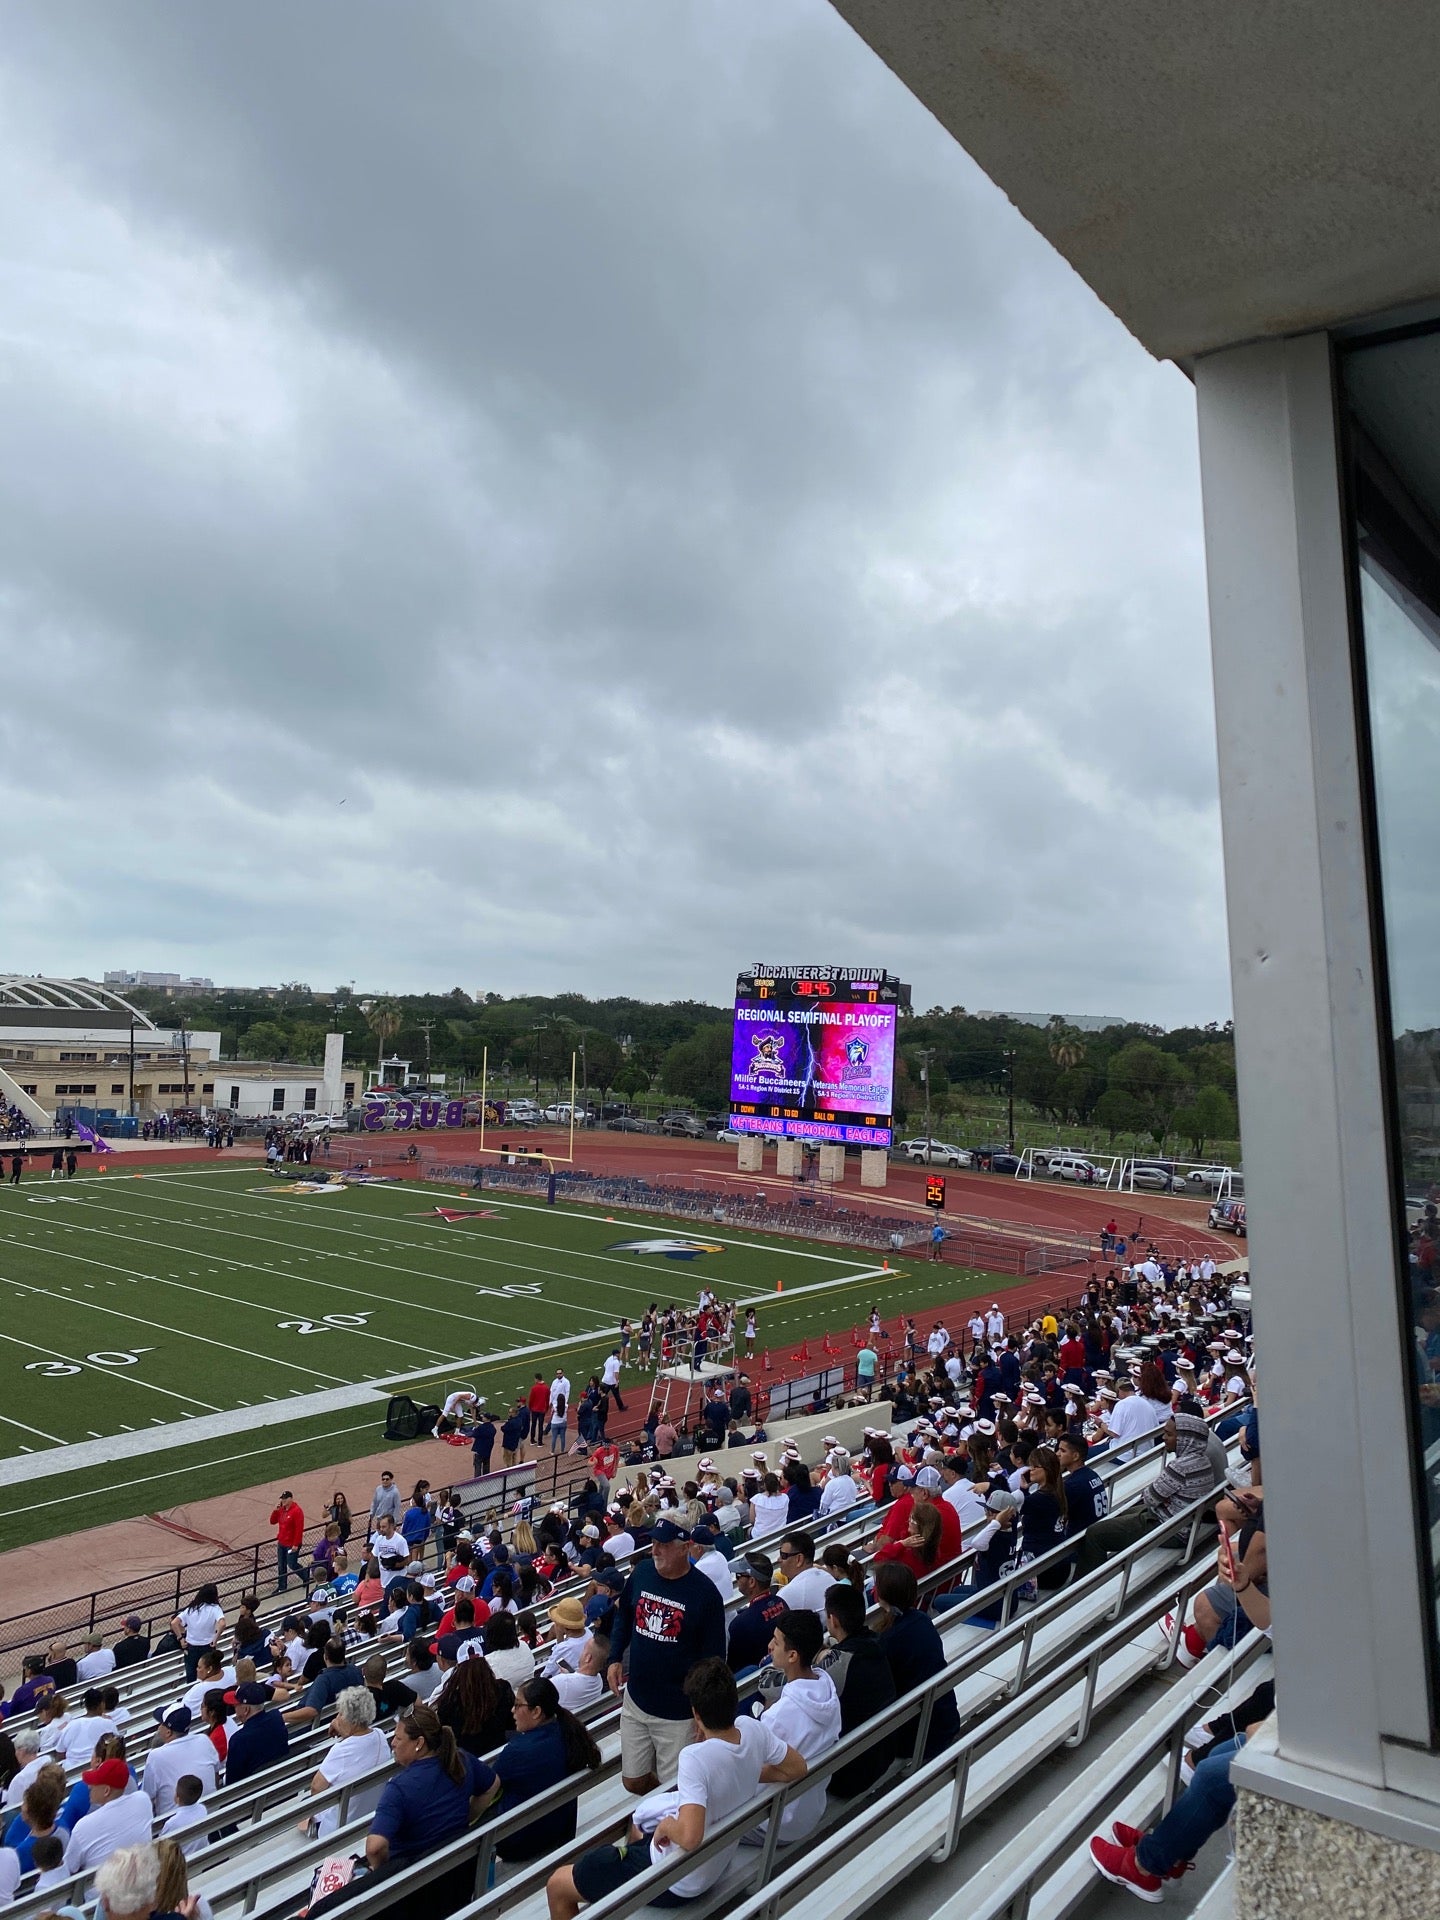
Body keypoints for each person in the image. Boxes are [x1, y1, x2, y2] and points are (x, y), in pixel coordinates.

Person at [549, 1658, 806, 1917]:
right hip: (716, 1861)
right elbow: (797, 1767)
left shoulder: (695, 1758)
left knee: (557, 1884)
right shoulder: (752, 1729)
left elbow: (690, 1837)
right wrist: (746, 1771)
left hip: (679, 1880)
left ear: (696, 1714)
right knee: (637, 1829)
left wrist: (666, 1826)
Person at [607, 1516, 727, 1793]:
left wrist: (703, 1714)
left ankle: (660, 1813)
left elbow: (714, 1661)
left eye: (663, 1544)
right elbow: (624, 1615)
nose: (655, 1550)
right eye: (653, 1543)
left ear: (685, 1547)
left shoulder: (705, 1594)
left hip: (678, 1713)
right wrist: (614, 1657)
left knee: (673, 1789)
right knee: (633, 1781)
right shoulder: (642, 1572)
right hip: (637, 1700)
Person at [1074, 1409, 1216, 1576]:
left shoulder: (1180, 1467)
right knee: (1120, 1515)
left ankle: (1088, 1584)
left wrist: (1160, 1496)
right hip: (1177, 1521)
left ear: (1185, 1439)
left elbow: (1149, 1498)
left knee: (1095, 1533)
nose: (1164, 1438)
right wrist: (1163, 1498)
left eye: (1169, 1434)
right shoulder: (1203, 1461)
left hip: (1171, 1529)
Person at [366, 1703, 498, 1874]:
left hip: (410, 1880)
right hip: (460, 1871)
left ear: (419, 1743)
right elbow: (493, 1784)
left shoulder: (398, 1788)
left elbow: (374, 1848)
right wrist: (467, 1816)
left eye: (398, 1738)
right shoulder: (461, 1759)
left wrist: (382, 1873)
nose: (393, 1743)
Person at [749, 1610, 840, 1845]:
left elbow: (751, 1770)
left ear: (792, 1655)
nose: (770, 1646)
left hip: (776, 1822)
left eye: (776, 1642)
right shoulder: (828, 1690)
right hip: (810, 1808)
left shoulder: (779, 1716)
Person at [491, 1675, 603, 1864]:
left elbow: (490, 1784)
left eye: (517, 1705)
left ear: (536, 1712)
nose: (512, 1710)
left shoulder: (518, 1751)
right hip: (560, 1829)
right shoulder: (568, 1733)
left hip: (519, 1843)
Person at [817, 1584, 897, 1797]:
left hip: (852, 1772)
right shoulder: (876, 1642)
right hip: (883, 1751)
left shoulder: (841, 1664)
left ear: (833, 1620)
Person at [873, 1562, 959, 1760]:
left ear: (882, 1595)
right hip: (946, 1719)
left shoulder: (889, 1640)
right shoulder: (922, 1619)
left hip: (920, 1737)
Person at [307, 1686, 392, 1838]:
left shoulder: (341, 1751)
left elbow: (316, 1788)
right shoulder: (380, 1735)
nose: (337, 1718)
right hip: (370, 1816)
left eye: (341, 1714)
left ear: (352, 1721)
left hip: (338, 1827)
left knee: (304, 1806)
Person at [63, 1756, 154, 1875]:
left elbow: (69, 1867)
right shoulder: (143, 1800)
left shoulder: (83, 1826)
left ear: (106, 1791)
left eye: (94, 1783)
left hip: (103, 1886)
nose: (89, 1786)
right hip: (142, 1877)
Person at [141, 1705, 219, 1814]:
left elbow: (147, 1797)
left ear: (168, 1732)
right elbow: (216, 1776)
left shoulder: (156, 1756)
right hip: (211, 1813)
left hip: (173, 1820)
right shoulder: (204, 1740)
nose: (158, 1728)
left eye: (161, 1724)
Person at [727, 1551, 789, 1674]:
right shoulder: (781, 1602)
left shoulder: (740, 1624)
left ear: (752, 1582)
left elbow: (732, 1668)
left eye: (739, 1576)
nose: (736, 1579)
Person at [224, 1681, 290, 1784]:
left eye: (236, 1706)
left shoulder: (238, 1740)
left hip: (254, 1789)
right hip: (284, 1781)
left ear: (246, 1709)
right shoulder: (276, 1718)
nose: (234, 1709)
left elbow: (232, 1782)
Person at [172, 1583, 226, 1685]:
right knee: (209, 1673)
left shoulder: (191, 1609)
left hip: (191, 1646)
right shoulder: (215, 1608)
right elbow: (222, 1623)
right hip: (207, 1646)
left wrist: (180, 1638)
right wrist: (215, 1639)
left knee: (191, 1674)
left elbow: (174, 1623)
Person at [774, 1531, 833, 1619]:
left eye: (783, 1555)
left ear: (799, 1559)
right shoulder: (828, 1577)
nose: (778, 1559)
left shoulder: (786, 1594)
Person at [270, 1491, 307, 1594]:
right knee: (281, 1565)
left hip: (291, 1544)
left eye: (285, 1498)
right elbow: (272, 1521)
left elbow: (299, 1529)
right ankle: (282, 1586)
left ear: (291, 1498)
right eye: (282, 1498)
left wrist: (296, 1544)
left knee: (292, 1564)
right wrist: (275, 1511)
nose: (283, 1500)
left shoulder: (297, 1511)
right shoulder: (281, 1510)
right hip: (282, 1542)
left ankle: (306, 1576)